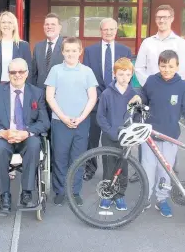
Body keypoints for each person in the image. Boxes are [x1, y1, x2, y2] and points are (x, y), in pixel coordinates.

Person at [129, 50, 185, 218]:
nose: (166, 70)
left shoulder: (182, 86)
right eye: (163, 66)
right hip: (149, 135)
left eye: (170, 66)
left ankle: (162, 200)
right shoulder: (151, 81)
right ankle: (145, 198)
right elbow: (143, 97)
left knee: (166, 171)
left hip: (170, 136)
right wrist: (138, 99)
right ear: (159, 66)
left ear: (177, 67)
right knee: (147, 168)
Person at [0, 58, 50, 213]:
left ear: (27, 73)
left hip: (26, 135)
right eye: (13, 72)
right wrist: (2, 133)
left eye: (21, 72)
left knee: (34, 145)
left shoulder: (37, 93)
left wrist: (27, 132)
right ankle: (4, 194)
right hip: (4, 137)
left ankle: (27, 191)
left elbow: (44, 122)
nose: (17, 75)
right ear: (8, 74)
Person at [45, 37, 98, 206]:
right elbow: (49, 96)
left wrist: (81, 117)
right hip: (60, 122)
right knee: (60, 157)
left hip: (81, 122)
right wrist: (63, 117)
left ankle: (74, 191)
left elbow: (92, 97)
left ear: (80, 51)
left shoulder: (87, 71)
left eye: (74, 50)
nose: (71, 53)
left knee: (78, 157)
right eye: (67, 50)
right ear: (62, 52)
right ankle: (60, 190)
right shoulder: (55, 70)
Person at [82, 18, 132, 181]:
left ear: (116, 30)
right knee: (93, 138)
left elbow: (128, 77)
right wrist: (96, 95)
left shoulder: (125, 50)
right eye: (105, 29)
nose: (108, 32)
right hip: (96, 101)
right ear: (100, 31)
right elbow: (88, 77)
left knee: (116, 138)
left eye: (112, 29)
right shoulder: (90, 51)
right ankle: (90, 168)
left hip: (118, 103)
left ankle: (117, 172)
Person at [96, 57, 137, 211]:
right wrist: (112, 132)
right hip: (109, 137)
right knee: (109, 167)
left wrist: (132, 134)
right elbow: (100, 116)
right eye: (121, 74)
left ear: (131, 75)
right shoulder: (107, 94)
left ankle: (119, 195)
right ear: (115, 74)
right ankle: (107, 194)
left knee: (123, 167)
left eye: (127, 74)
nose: (124, 78)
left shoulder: (134, 94)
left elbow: (137, 117)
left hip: (126, 139)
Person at [0, 11, 32, 103]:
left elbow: (29, 72)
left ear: (14, 26)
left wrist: (28, 94)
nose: (6, 25)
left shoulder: (23, 46)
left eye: (9, 22)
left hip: (17, 88)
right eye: (3, 22)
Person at [135, 5, 185, 86]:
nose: (161, 20)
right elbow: (139, 68)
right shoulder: (147, 43)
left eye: (165, 17)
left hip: (172, 89)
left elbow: (182, 70)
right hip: (150, 89)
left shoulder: (181, 43)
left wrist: (172, 86)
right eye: (158, 17)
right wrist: (149, 85)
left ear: (172, 18)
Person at [31, 13, 64, 91]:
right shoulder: (38, 47)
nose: (49, 27)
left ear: (60, 27)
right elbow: (33, 73)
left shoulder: (66, 45)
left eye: (53, 24)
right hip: (40, 94)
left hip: (59, 93)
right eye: (47, 24)